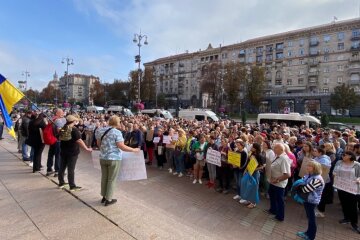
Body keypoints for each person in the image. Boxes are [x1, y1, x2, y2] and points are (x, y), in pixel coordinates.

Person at [96, 115, 140, 206]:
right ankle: (109, 198)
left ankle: (104, 196)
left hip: (103, 157)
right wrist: (134, 150)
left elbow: (98, 143)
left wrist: (105, 150)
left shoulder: (100, 130)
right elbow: (121, 146)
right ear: (117, 122)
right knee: (111, 179)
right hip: (114, 158)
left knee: (104, 177)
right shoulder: (117, 132)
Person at [58, 115, 92, 191]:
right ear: (73, 121)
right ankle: (72, 186)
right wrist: (86, 148)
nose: (77, 122)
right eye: (76, 121)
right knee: (71, 169)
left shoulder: (63, 128)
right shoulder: (74, 130)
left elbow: (59, 136)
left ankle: (61, 182)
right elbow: (79, 140)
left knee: (62, 167)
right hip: (72, 152)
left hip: (63, 150)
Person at [296, 161, 325, 240]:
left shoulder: (317, 179)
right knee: (309, 218)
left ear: (315, 168)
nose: (307, 167)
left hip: (312, 201)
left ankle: (311, 236)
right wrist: (300, 185)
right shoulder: (309, 175)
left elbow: (305, 189)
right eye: (308, 165)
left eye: (310, 166)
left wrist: (299, 186)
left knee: (312, 219)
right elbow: (301, 182)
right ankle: (307, 233)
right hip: (307, 199)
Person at [333, 151, 360, 234]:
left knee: (352, 205)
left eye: (344, 155)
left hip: (352, 188)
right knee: (344, 203)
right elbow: (334, 171)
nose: (342, 156)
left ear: (350, 156)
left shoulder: (357, 165)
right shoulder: (339, 162)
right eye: (342, 155)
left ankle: (354, 223)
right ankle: (346, 218)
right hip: (341, 187)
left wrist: (359, 179)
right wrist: (334, 174)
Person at [267, 143, 291, 222]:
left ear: (281, 150)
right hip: (272, 181)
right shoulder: (276, 156)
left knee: (279, 200)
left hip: (279, 184)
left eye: (276, 148)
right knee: (272, 196)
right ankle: (273, 210)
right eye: (274, 147)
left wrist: (277, 180)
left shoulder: (284, 159)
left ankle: (280, 217)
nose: (274, 149)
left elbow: (287, 174)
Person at [312, 147, 332, 218]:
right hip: (317, 179)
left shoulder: (324, 160)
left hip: (323, 180)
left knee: (321, 196)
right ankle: (316, 209)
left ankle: (321, 211)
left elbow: (323, 171)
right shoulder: (317, 158)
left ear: (320, 152)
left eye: (315, 151)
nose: (313, 152)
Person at [46, 108, 66, 177]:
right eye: (62, 112)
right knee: (58, 155)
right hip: (57, 140)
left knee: (51, 154)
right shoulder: (58, 120)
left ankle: (49, 169)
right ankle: (57, 171)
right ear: (57, 113)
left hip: (52, 139)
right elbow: (60, 130)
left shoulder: (52, 119)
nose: (63, 113)